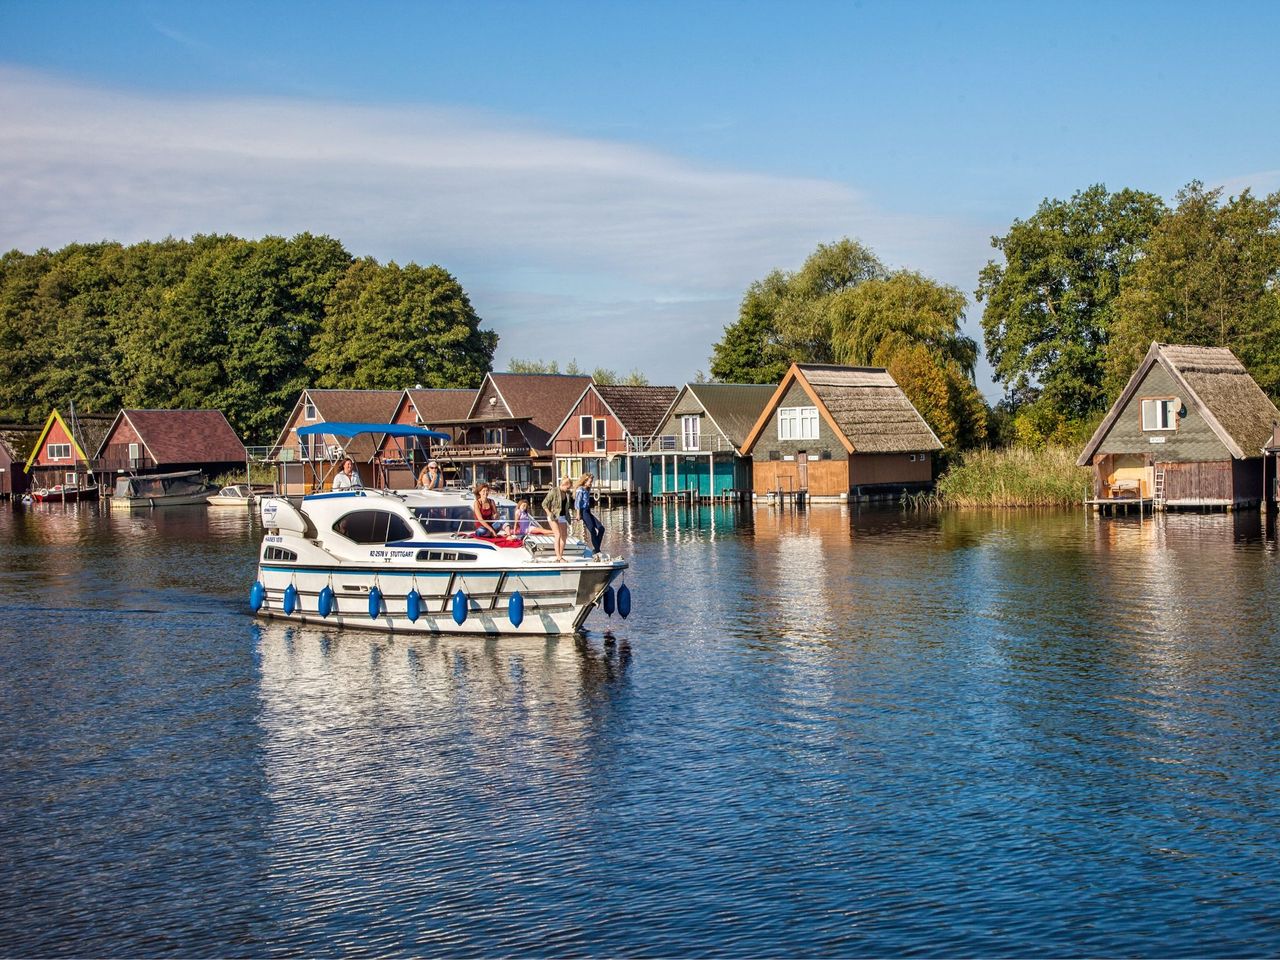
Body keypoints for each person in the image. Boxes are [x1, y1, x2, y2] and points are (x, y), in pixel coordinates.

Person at [541, 476, 574, 561]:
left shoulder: (567, 493)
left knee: (564, 536)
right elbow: (544, 504)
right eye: (568, 487)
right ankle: (558, 556)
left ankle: (560, 555)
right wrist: (549, 513)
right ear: (564, 484)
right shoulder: (554, 491)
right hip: (553, 515)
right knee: (557, 534)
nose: (568, 489)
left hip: (562, 516)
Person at [574, 472, 605, 558]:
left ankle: (596, 548)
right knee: (592, 530)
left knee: (601, 528)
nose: (591, 483)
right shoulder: (580, 489)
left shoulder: (587, 489)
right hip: (583, 511)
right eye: (590, 481)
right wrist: (578, 514)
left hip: (588, 511)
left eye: (591, 481)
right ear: (585, 480)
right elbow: (577, 502)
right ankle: (597, 551)